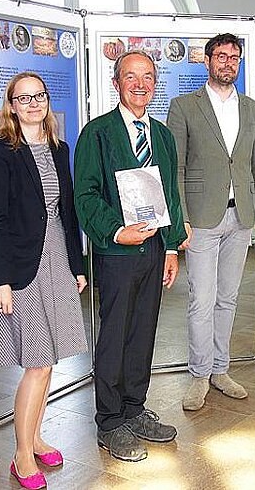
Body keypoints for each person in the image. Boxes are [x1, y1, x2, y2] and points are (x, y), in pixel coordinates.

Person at [73, 50, 186, 462]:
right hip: (116, 252)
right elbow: (84, 195)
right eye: (131, 76)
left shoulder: (162, 135)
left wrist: (171, 246)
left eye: (149, 77)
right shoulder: (97, 134)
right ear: (116, 83)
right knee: (115, 335)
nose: (141, 84)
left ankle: (135, 409)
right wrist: (116, 230)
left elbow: (171, 194)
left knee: (143, 332)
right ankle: (110, 421)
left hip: (154, 251)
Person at [0, 72, 88, 489]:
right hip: (23, 267)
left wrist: (78, 266)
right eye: (23, 97)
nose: (33, 103)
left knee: (51, 360)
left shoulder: (59, 148)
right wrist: (1, 280)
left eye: (39, 96)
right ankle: (22, 455)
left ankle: (37, 435)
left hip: (58, 260)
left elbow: (68, 211)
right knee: (37, 362)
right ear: (11, 104)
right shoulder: (1, 151)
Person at [166, 33, 255, 411]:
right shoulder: (183, 107)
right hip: (202, 219)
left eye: (234, 58)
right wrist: (180, 220)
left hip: (241, 217)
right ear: (207, 61)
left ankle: (220, 370)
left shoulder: (251, 109)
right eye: (221, 56)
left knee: (227, 298)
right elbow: (174, 167)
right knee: (202, 299)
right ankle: (198, 376)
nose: (228, 63)